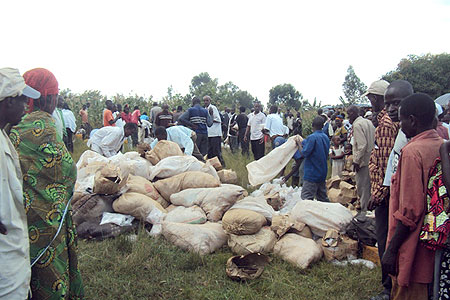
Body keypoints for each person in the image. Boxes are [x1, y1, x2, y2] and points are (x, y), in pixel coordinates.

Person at [10, 68, 84, 298]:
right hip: (46, 217)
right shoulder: (45, 125)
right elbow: (66, 170)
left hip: (16, 214)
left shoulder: (13, 124)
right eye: (54, 95)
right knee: (48, 271)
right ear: (48, 97)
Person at [382, 93, 443, 300]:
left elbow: (410, 211)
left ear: (413, 120)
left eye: (401, 120)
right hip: (436, 243)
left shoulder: (411, 152)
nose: (399, 125)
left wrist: (391, 250)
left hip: (413, 246)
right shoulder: (443, 144)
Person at [0, 68, 40, 300]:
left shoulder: (5, 135)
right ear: (6, 102)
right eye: (22, 98)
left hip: (12, 246)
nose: (27, 104)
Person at [347, 105, 375, 213]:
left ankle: (364, 213)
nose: (348, 116)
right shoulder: (368, 122)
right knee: (369, 187)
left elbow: (362, 145)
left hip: (363, 162)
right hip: (371, 159)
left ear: (354, 113)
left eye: (349, 113)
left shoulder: (357, 125)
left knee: (363, 189)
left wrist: (356, 161)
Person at [297, 116, 330, 201]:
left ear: (312, 125)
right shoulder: (325, 137)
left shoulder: (312, 137)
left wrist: (299, 144)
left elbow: (304, 153)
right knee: (322, 198)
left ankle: (307, 213)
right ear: (322, 126)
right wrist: (303, 141)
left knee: (306, 198)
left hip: (312, 173)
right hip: (322, 172)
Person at [204, 95, 223, 164]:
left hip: (215, 133)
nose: (205, 102)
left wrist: (209, 120)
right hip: (209, 134)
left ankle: (221, 164)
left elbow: (218, 120)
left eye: (207, 100)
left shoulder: (213, 108)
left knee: (216, 151)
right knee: (210, 152)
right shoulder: (205, 109)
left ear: (210, 101)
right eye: (204, 101)